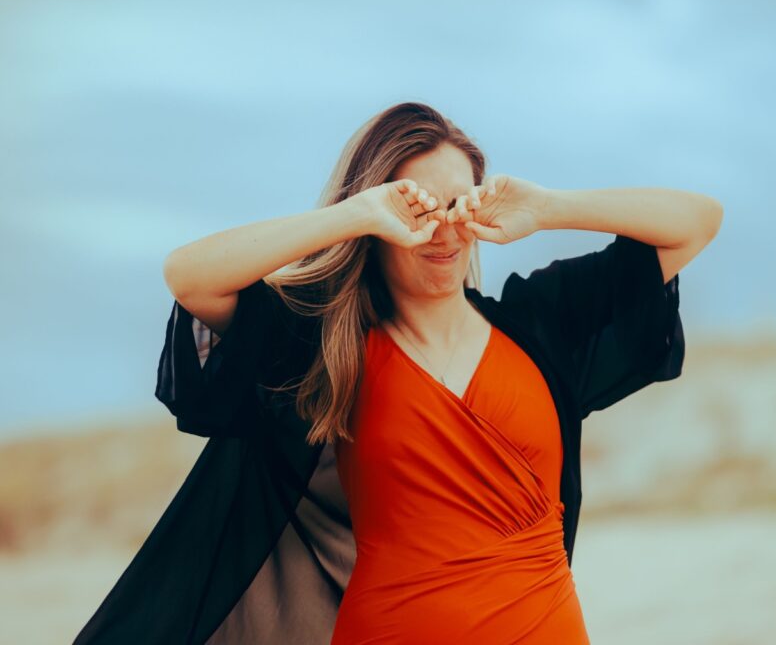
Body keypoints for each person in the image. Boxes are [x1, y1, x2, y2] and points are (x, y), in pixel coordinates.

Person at [74, 101, 721, 644]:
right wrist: (353, 215)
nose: (443, 230)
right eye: (418, 209)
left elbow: (696, 223)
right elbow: (189, 276)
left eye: (458, 204)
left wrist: (549, 207)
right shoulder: (326, 346)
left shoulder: (542, 321)